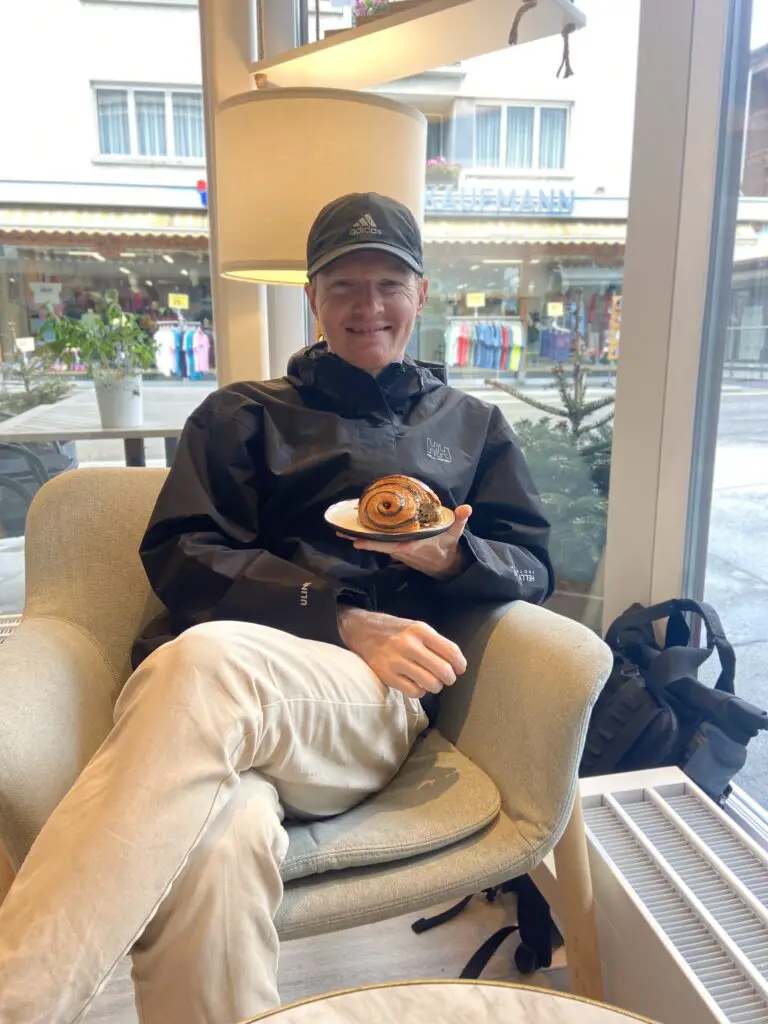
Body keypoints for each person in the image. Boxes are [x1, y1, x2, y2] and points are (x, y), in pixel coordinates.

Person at [0, 193, 553, 1024]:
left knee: (206, 659)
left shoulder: (472, 427)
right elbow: (181, 554)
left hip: (363, 710)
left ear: (422, 293)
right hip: (203, 702)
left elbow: (534, 566)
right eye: (344, 285)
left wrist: (453, 554)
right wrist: (337, 616)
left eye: (389, 284)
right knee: (217, 847)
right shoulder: (240, 415)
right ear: (312, 296)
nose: (368, 307)